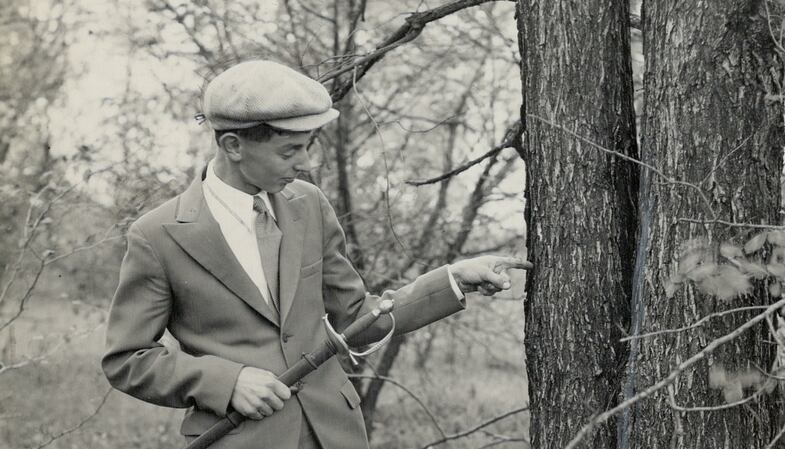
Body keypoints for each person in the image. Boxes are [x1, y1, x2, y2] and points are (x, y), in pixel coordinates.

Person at [102, 60, 531, 449]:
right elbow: (127, 358)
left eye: (308, 146)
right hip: (239, 438)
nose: (305, 163)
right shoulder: (157, 235)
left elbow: (356, 318)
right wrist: (225, 382)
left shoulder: (308, 205)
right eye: (290, 151)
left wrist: (453, 278)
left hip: (335, 435)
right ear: (233, 146)